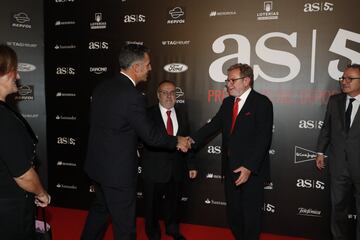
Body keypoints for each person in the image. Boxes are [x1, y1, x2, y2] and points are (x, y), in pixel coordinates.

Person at [81, 44, 190, 240]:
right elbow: (150, 135)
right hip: (117, 173)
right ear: (136, 67)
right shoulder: (132, 96)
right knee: (125, 228)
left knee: (100, 212)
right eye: (147, 64)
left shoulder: (102, 87)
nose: (150, 68)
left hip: (97, 167)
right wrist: (176, 141)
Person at [190, 63, 273, 240]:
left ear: (247, 81)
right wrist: (191, 140)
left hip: (251, 171)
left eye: (232, 80)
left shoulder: (262, 103)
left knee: (251, 215)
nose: (228, 84)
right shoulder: (228, 103)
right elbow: (212, 126)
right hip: (230, 169)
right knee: (234, 213)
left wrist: (249, 167)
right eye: (227, 80)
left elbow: (263, 140)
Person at [0, 44, 50, 240]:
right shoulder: (3, 119)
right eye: (14, 71)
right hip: (10, 210)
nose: (18, 77)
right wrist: (42, 193)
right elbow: (23, 175)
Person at [141, 80, 197, 240]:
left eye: (172, 92)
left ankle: (172, 229)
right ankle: (153, 233)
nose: (169, 96)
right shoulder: (147, 114)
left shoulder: (182, 113)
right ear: (158, 95)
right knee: (151, 206)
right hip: (153, 169)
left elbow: (187, 139)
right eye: (164, 92)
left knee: (173, 204)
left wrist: (191, 164)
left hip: (176, 169)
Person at [316, 63, 360, 240]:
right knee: (338, 209)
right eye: (343, 78)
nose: (345, 81)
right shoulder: (335, 101)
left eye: (350, 78)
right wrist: (320, 152)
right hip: (338, 164)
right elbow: (326, 128)